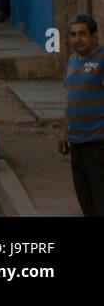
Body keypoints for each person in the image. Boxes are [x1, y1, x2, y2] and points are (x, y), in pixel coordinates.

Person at [59, 15, 104, 216]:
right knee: (84, 198)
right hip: (76, 142)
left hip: (98, 141)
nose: (77, 39)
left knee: (100, 198)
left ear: (94, 35)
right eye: (73, 35)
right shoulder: (71, 61)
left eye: (82, 34)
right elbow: (70, 100)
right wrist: (63, 133)